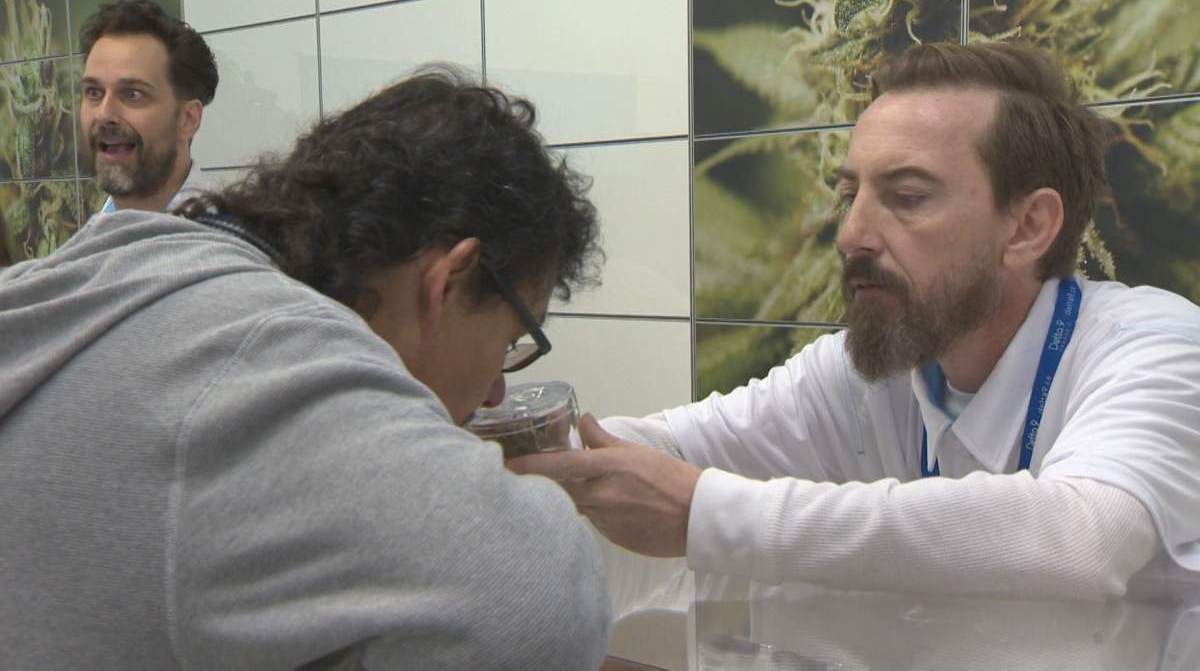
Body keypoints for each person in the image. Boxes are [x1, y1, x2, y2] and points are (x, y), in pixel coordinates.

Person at [512, 41, 1200, 601]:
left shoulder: (1153, 348)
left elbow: (1081, 538)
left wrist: (708, 513)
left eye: (905, 196)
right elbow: (671, 454)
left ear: (1028, 226)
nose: (852, 234)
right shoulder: (864, 373)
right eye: (851, 193)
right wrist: (485, 460)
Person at [0, 68, 610, 668]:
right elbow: (547, 606)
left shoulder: (124, 264)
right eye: (508, 340)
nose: (498, 391)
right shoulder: (266, 362)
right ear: (449, 281)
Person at [78, 0, 217, 215]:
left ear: (188, 119)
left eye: (133, 94)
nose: (104, 114)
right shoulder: (96, 233)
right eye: (94, 92)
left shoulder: (229, 240)